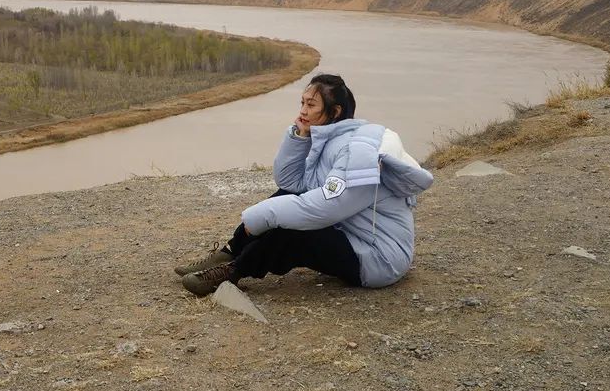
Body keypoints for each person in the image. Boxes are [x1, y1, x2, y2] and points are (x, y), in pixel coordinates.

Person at [175, 73, 433, 296]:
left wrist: (259, 216)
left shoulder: (358, 152)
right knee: (286, 196)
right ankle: (230, 251)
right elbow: (291, 182)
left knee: (295, 229)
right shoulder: (331, 140)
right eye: (302, 103)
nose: (302, 111)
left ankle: (234, 270)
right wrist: (300, 136)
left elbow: (327, 208)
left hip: (379, 259)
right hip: (352, 236)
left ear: (335, 112)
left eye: (311, 105)